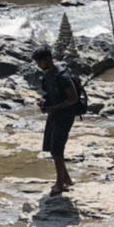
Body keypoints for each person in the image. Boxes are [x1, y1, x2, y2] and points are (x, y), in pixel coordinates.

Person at [33, 44, 79, 195]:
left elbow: (73, 98)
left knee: (57, 150)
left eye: (39, 62)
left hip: (64, 116)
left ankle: (60, 184)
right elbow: (49, 94)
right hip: (54, 115)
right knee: (52, 149)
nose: (38, 66)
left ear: (48, 59)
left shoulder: (62, 75)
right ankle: (66, 179)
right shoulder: (48, 74)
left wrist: (55, 107)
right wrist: (43, 103)